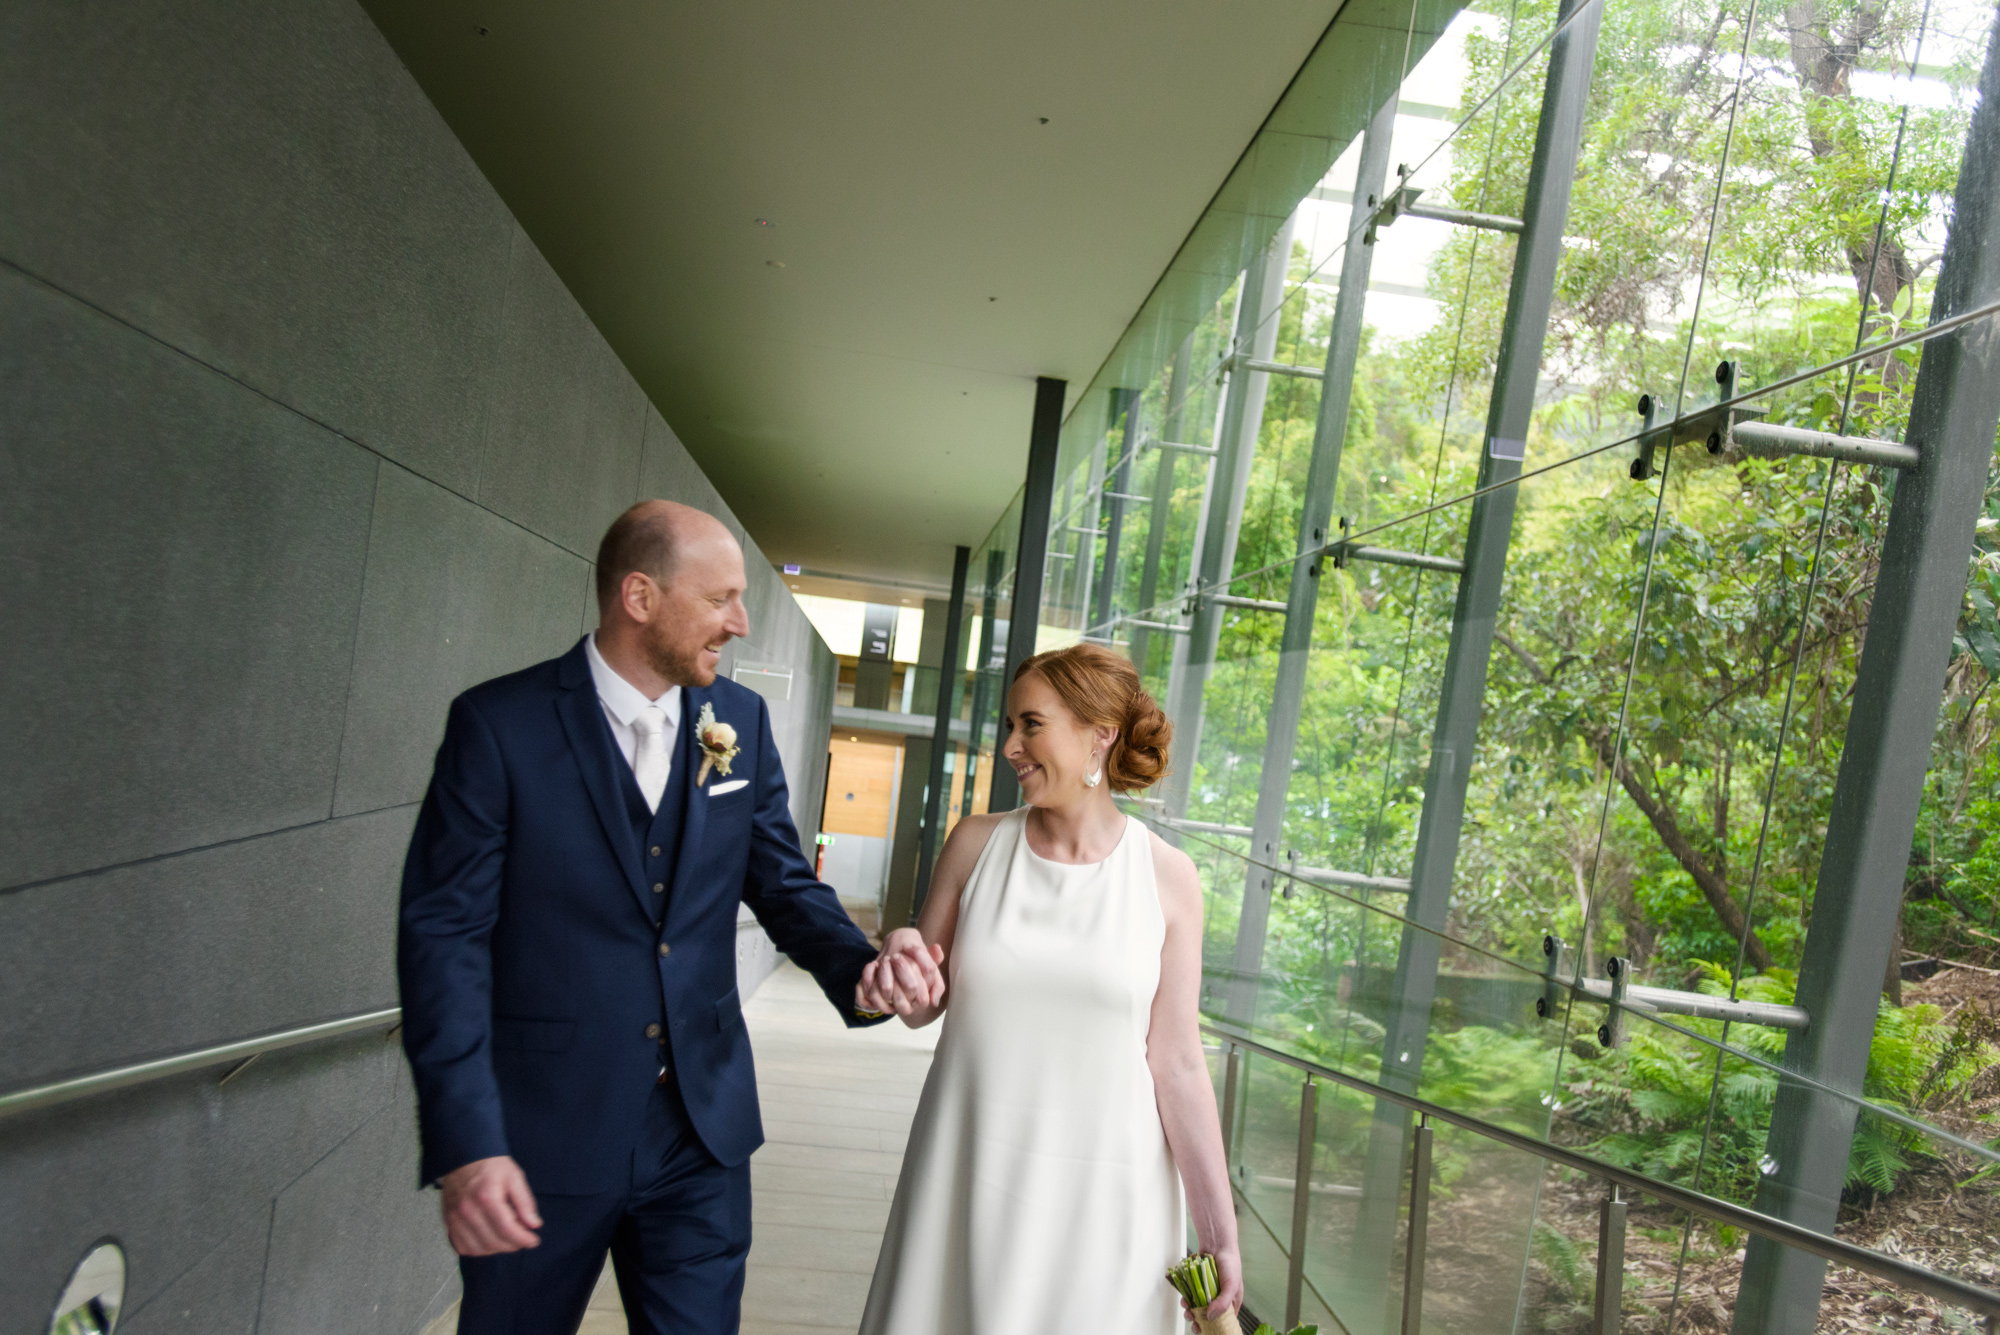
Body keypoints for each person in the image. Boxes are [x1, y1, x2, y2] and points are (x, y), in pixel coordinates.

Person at [396, 500, 944, 1334]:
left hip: (701, 1132)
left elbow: (785, 884)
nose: (741, 621)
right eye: (721, 597)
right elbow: (445, 943)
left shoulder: (742, 724)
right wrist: (468, 1140)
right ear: (640, 596)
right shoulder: (499, 726)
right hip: (541, 1138)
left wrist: (864, 972)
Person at [854, 643, 1242, 1332]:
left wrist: (1221, 1232)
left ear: (1101, 733)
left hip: (1110, 1195)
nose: (1010, 745)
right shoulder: (974, 845)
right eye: (1010, 724)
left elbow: (1178, 1062)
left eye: (1030, 724)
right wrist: (899, 954)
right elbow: (922, 1002)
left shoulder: (1168, 877)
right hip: (970, 1173)